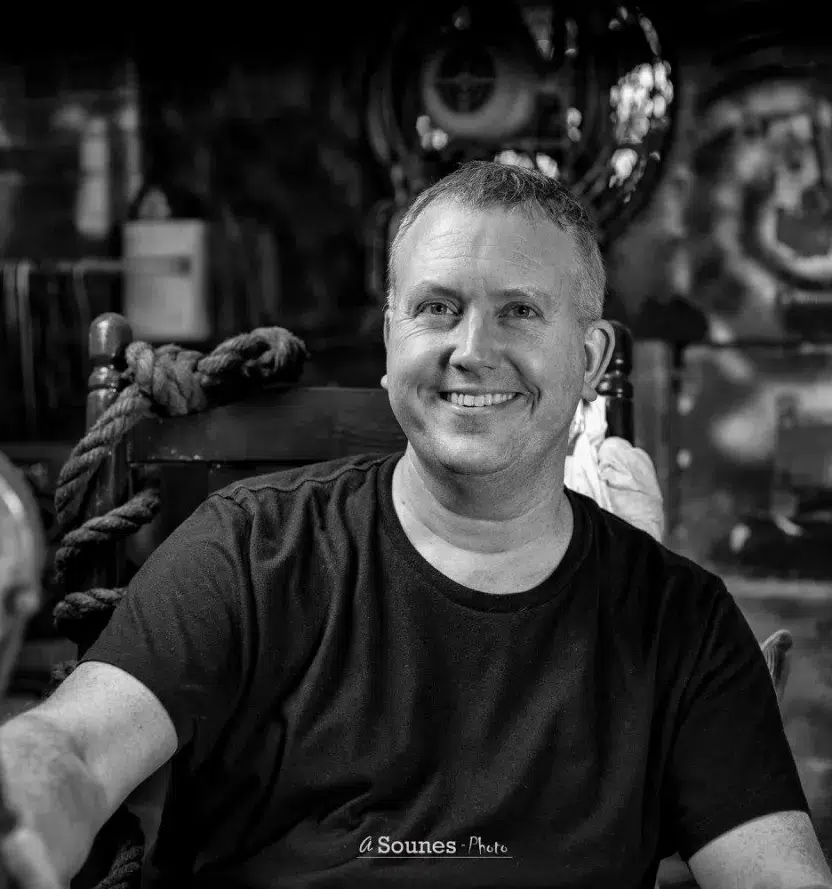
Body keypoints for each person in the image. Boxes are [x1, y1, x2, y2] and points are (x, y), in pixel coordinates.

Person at [1, 161, 830, 889]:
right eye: (437, 307)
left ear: (594, 357)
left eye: (520, 312)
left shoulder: (680, 622)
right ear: (392, 331)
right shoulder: (250, 550)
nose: (472, 348)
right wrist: (24, 800)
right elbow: (72, 748)